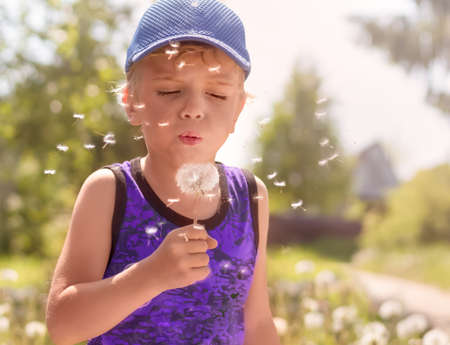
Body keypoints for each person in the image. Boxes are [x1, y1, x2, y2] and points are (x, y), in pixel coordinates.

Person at [45, 0, 281, 344]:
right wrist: (149, 276)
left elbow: (257, 322)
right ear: (131, 101)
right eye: (170, 90)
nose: (194, 109)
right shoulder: (111, 192)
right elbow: (63, 325)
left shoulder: (250, 195)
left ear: (238, 110)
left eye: (216, 94)